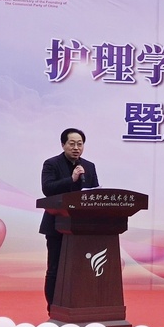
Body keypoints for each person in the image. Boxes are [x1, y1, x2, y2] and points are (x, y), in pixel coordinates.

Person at [40, 128, 99, 313]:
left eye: (80, 144)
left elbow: (94, 193)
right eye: (72, 144)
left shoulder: (89, 166)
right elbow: (47, 189)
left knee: (81, 268)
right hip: (57, 225)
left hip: (83, 227)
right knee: (55, 268)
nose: (76, 148)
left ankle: (79, 305)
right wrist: (71, 179)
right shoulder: (51, 164)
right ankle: (53, 307)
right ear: (63, 145)